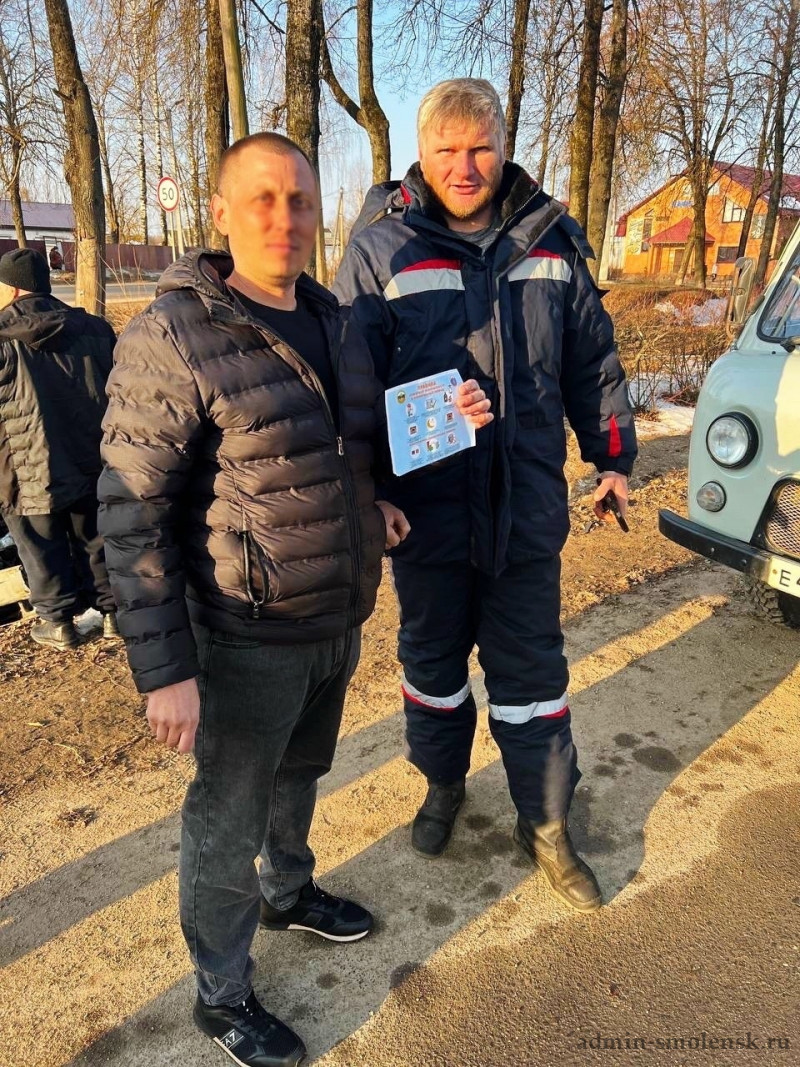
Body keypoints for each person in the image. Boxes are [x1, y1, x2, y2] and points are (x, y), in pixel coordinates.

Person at [98, 131, 489, 1067]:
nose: (285, 217)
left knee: (300, 774)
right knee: (226, 815)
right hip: (243, 634)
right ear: (222, 213)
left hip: (334, 619)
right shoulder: (174, 333)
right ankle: (222, 992)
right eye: (263, 199)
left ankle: (288, 890)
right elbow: (129, 512)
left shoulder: (337, 321)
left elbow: (342, 449)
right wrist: (165, 671)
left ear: (321, 213)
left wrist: (377, 501)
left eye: (301, 200)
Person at [334, 79, 637, 913]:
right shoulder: (382, 248)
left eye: (480, 148)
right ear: (422, 153)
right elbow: (350, 384)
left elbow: (593, 360)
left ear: (504, 147)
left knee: (532, 676)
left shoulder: (550, 238)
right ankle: (443, 785)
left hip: (526, 508)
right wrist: (368, 490)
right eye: (447, 150)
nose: (464, 166)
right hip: (424, 515)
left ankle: (546, 822)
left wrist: (613, 457)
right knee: (433, 669)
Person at [0, 247, 119, 650]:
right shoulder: (95, 328)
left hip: (24, 463)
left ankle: (59, 623)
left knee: (38, 543)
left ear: (12, 288)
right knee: (98, 535)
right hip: (93, 457)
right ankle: (113, 614)